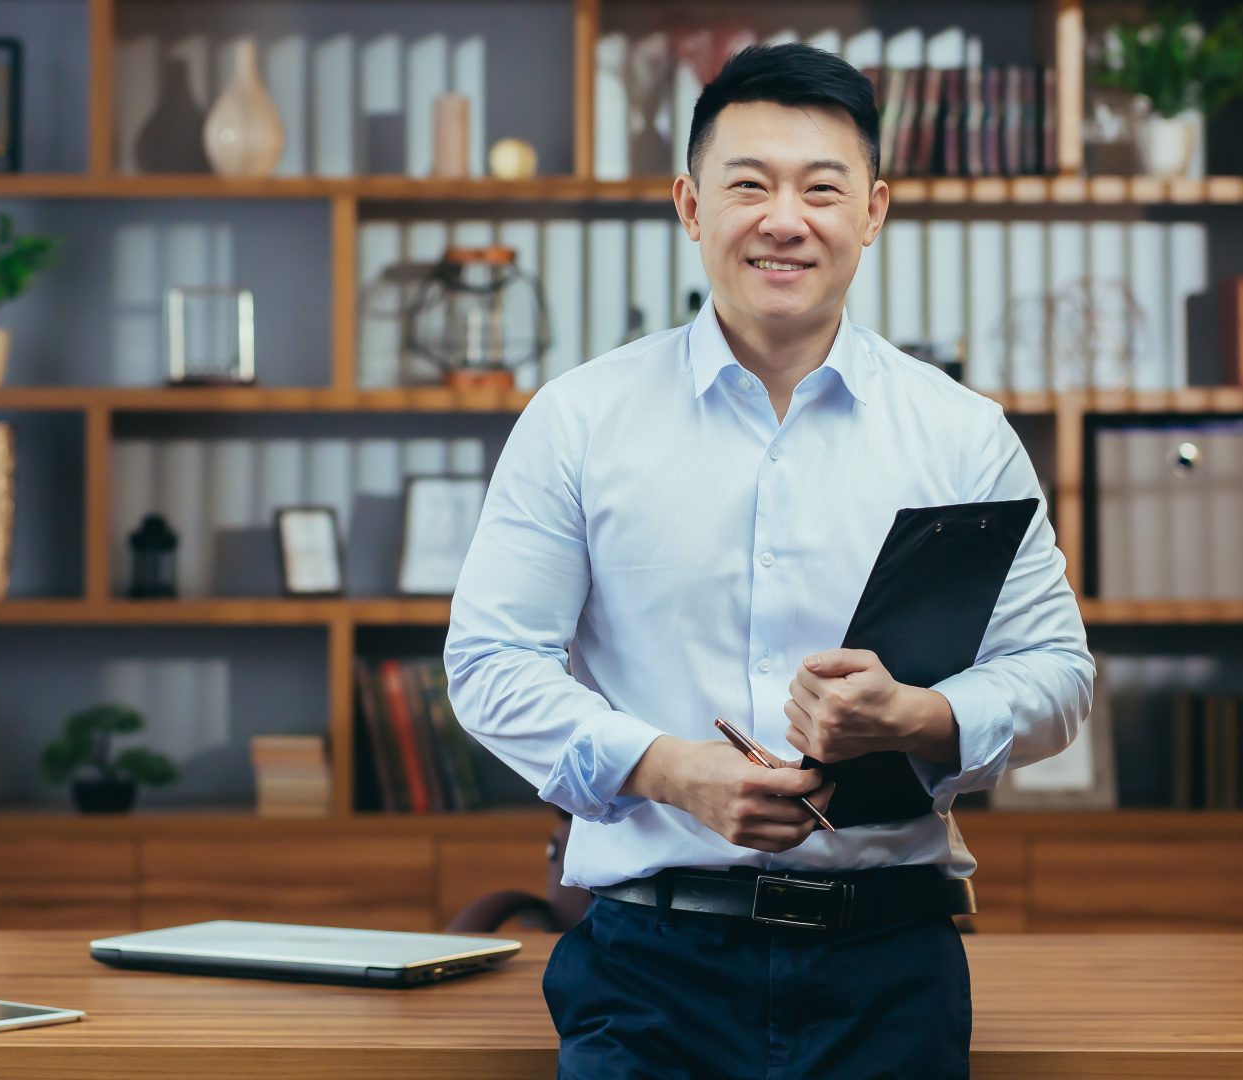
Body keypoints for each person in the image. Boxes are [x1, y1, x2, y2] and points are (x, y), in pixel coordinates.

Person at [443, 43, 1093, 1078]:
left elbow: (1058, 677)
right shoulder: (580, 420)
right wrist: (669, 772)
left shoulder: (963, 434)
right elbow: (487, 664)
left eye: (821, 188)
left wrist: (918, 717)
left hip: (892, 973)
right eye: (749, 184)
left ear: (872, 211)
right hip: (648, 973)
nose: (784, 219)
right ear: (690, 205)